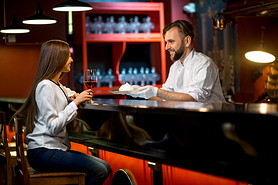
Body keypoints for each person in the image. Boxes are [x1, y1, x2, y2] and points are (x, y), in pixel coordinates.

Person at [12, 40, 111, 185]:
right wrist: (76, 103)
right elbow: (53, 126)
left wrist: (74, 96)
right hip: (43, 152)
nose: (71, 59)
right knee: (100, 170)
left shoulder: (54, 84)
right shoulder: (45, 86)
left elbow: (66, 92)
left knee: (105, 167)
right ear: (57, 58)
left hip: (52, 150)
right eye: (68, 56)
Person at [128, 20, 226, 103]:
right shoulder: (175, 67)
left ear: (187, 41)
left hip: (212, 121)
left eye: (171, 41)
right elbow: (164, 97)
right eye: (166, 42)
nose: (166, 47)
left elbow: (194, 98)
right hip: (187, 120)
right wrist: (139, 92)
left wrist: (156, 91)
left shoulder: (204, 64)